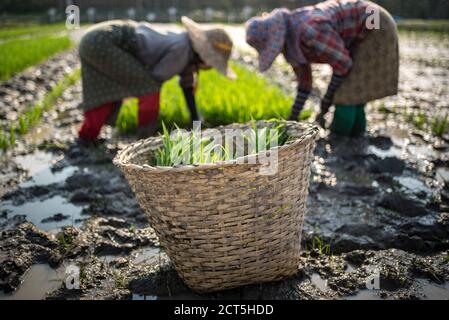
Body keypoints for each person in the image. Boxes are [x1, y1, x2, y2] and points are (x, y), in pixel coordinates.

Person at [245, 0, 399, 136]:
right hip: (366, 25)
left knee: (346, 95)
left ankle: (340, 143)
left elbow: (343, 63)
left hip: (374, 23)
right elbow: (304, 84)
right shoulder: (290, 45)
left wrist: (326, 101)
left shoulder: (310, 30)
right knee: (353, 94)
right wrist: (292, 120)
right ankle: (357, 140)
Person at [77, 17, 235, 142]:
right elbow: (155, 79)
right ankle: (144, 140)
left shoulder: (187, 49)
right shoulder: (182, 49)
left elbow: (187, 88)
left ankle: (87, 137)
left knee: (104, 91)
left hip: (96, 40)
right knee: (150, 89)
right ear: (205, 55)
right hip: (105, 42)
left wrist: (196, 123)